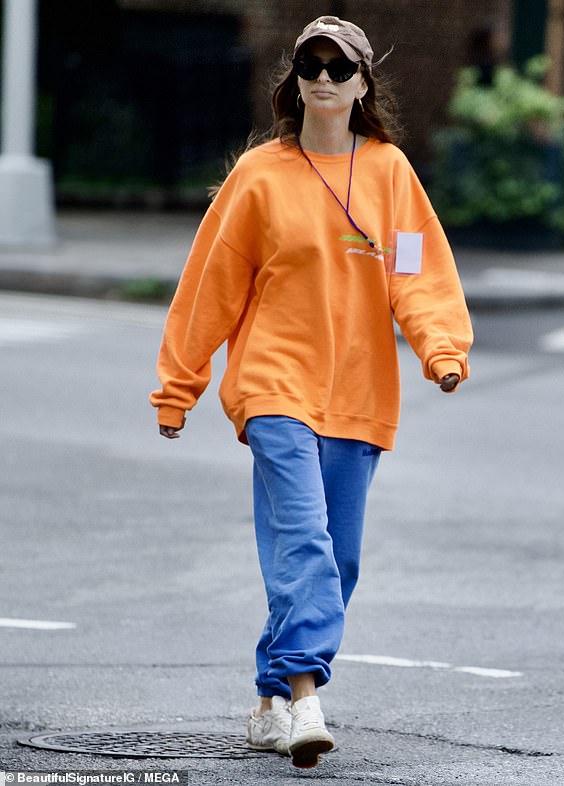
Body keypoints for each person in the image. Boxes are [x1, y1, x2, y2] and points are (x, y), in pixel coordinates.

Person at [149, 15, 473, 770]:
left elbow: (418, 276)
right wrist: (179, 387)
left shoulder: (391, 174)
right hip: (272, 387)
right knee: (305, 542)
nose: (323, 78)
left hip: (358, 392)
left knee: (339, 557)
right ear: (293, 80)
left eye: (338, 67)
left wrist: (441, 349)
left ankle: (267, 691)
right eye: (310, 65)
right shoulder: (260, 175)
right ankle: (303, 700)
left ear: (364, 84)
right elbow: (209, 287)